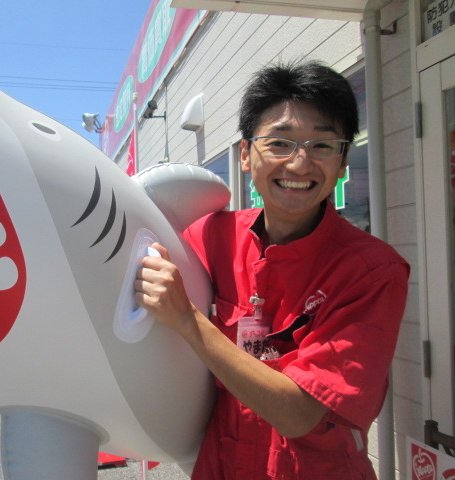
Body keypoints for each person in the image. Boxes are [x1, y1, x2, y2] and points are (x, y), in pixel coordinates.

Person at [134, 60, 410, 479]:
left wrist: (187, 320)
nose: (299, 164)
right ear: (246, 155)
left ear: (342, 162)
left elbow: (299, 414)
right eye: (280, 143)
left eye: (322, 145)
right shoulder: (209, 236)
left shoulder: (371, 271)